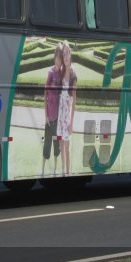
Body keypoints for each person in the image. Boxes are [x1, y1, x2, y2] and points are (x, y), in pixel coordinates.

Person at [41, 43, 63, 177]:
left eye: (60, 59)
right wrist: (46, 116)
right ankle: (42, 170)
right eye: (57, 58)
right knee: (47, 144)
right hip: (49, 116)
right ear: (54, 58)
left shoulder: (62, 74)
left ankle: (55, 169)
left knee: (56, 144)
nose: (58, 61)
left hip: (58, 117)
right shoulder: (50, 73)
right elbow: (45, 94)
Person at [57, 41, 77, 176]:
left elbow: (74, 100)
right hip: (60, 112)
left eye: (67, 53)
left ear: (70, 54)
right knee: (61, 145)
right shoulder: (61, 71)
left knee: (67, 147)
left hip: (67, 113)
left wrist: (72, 121)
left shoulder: (73, 73)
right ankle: (63, 171)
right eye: (63, 53)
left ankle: (68, 173)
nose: (65, 56)